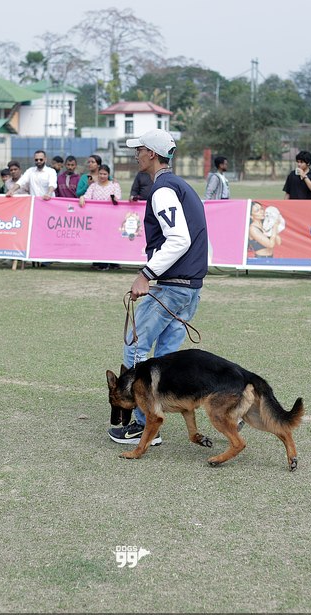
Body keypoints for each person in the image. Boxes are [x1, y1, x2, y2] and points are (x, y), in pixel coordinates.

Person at [108, 129, 208, 446]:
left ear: (152, 153)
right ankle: (152, 423)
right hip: (189, 287)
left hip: (172, 286)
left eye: (139, 149)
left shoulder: (162, 189)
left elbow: (179, 239)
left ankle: (142, 426)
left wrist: (145, 274)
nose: (136, 154)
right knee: (165, 361)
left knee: (135, 349)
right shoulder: (180, 186)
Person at [79, 163, 122, 271]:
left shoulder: (114, 185)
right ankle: (98, 261)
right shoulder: (93, 186)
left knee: (110, 240)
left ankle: (112, 262)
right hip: (96, 218)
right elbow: (87, 196)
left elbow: (118, 198)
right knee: (97, 240)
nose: (102, 176)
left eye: (105, 174)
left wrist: (114, 199)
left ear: (108, 175)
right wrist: (82, 197)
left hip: (110, 218)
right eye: (100, 174)